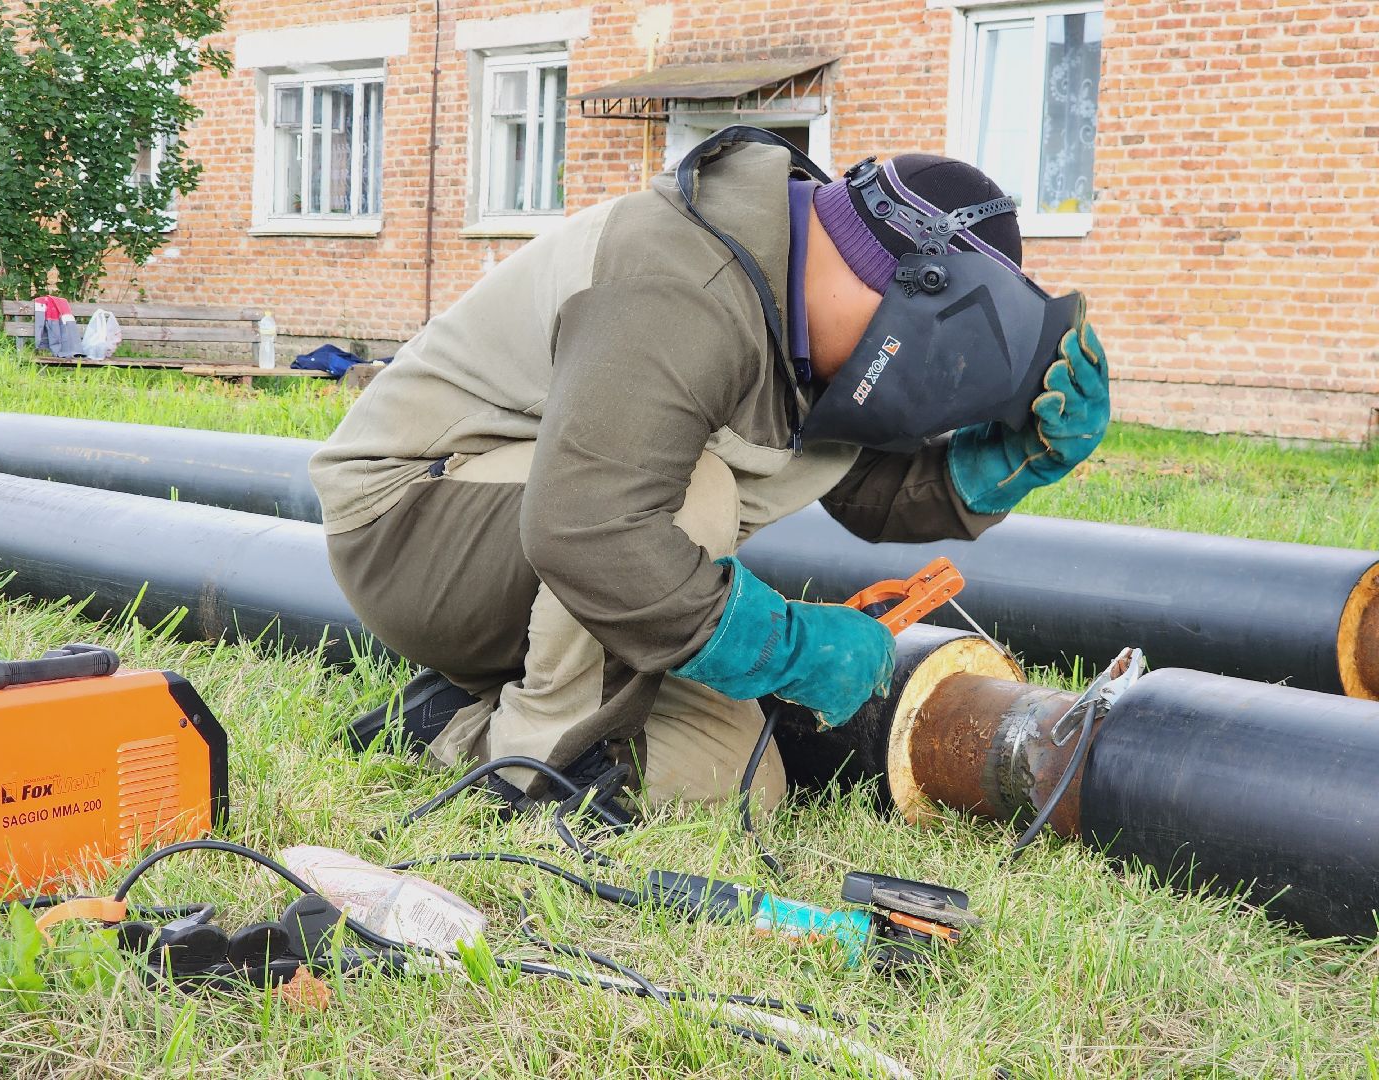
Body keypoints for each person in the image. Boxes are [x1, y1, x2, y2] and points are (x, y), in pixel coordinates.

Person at [309, 126, 1109, 814]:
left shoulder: (803, 326)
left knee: (739, 779)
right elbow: (590, 527)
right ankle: (534, 762)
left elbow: (862, 493)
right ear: (903, 284)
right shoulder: (686, 282)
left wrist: (1009, 463)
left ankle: (453, 724)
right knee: (692, 493)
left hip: (552, 554)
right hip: (411, 527)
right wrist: (792, 646)